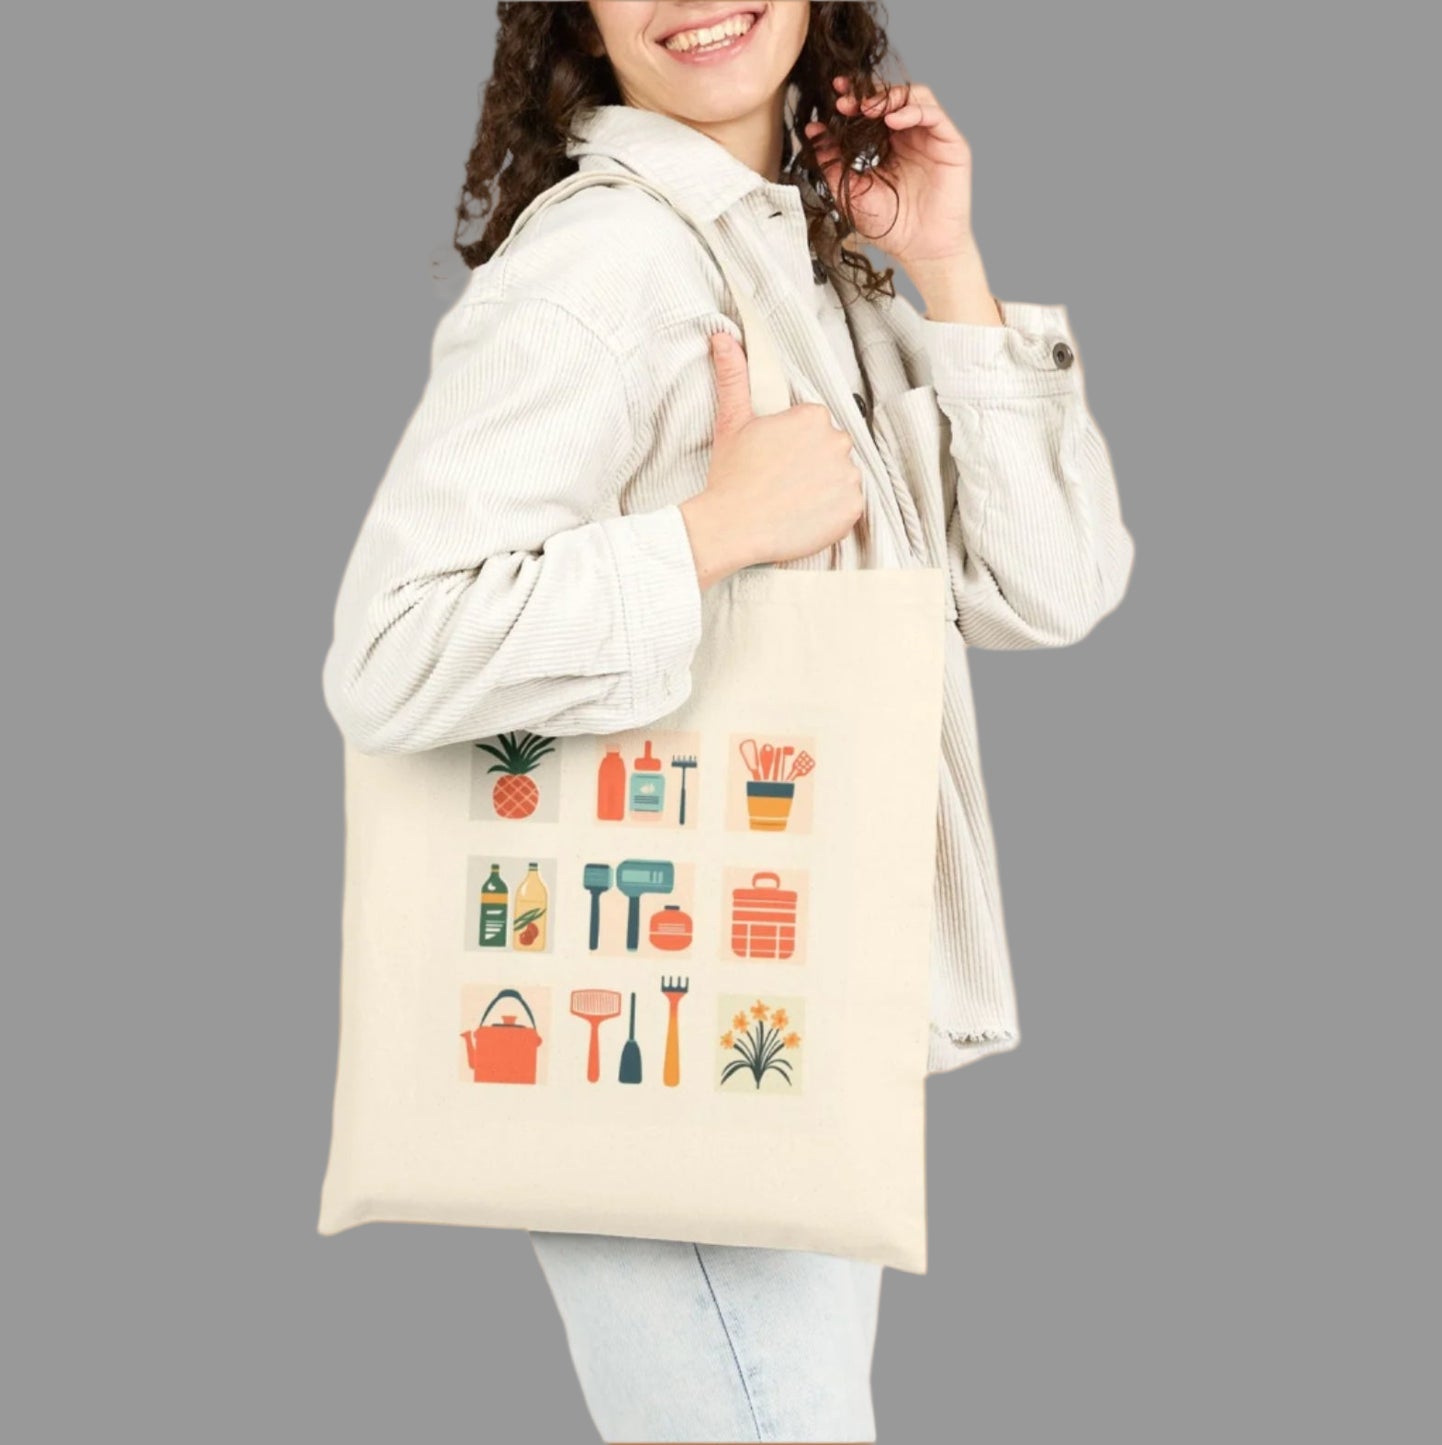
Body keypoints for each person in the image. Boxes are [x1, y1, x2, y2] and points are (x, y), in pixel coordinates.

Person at [320, 3, 1135, 1440]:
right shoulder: (607, 261)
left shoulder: (799, 254)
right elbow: (390, 651)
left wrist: (945, 265)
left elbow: (1050, 585)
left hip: (780, 1012)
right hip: (661, 1024)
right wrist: (710, 534)